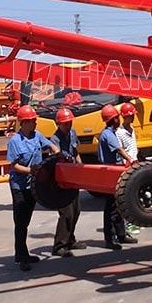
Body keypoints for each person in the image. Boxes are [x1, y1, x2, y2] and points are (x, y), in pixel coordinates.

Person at [6, 104, 59, 271]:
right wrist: (31, 171)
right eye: (33, 121)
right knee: (20, 222)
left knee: (26, 220)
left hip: (32, 186)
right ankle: (21, 257)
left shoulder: (37, 136)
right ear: (24, 122)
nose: (35, 123)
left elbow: (50, 146)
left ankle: (24, 253)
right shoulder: (15, 141)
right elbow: (14, 165)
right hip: (19, 186)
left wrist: (58, 154)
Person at [97, 104, 138, 249]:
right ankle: (111, 238)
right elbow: (119, 149)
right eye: (117, 117)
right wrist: (130, 159)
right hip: (110, 172)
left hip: (114, 170)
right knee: (112, 207)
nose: (119, 119)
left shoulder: (111, 132)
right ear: (113, 119)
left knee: (118, 204)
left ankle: (120, 234)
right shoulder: (108, 135)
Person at [50, 107, 88, 257]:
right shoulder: (55, 140)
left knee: (76, 210)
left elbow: (75, 152)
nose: (68, 125)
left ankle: (70, 239)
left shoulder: (72, 133)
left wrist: (81, 167)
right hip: (62, 179)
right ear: (58, 124)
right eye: (65, 123)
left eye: (70, 122)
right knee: (66, 213)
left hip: (73, 177)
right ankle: (59, 245)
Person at [116, 102, 140, 235]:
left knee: (134, 195)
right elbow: (120, 150)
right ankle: (126, 224)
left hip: (134, 163)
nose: (133, 118)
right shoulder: (119, 133)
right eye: (132, 116)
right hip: (126, 165)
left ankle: (132, 222)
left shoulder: (132, 130)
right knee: (126, 196)